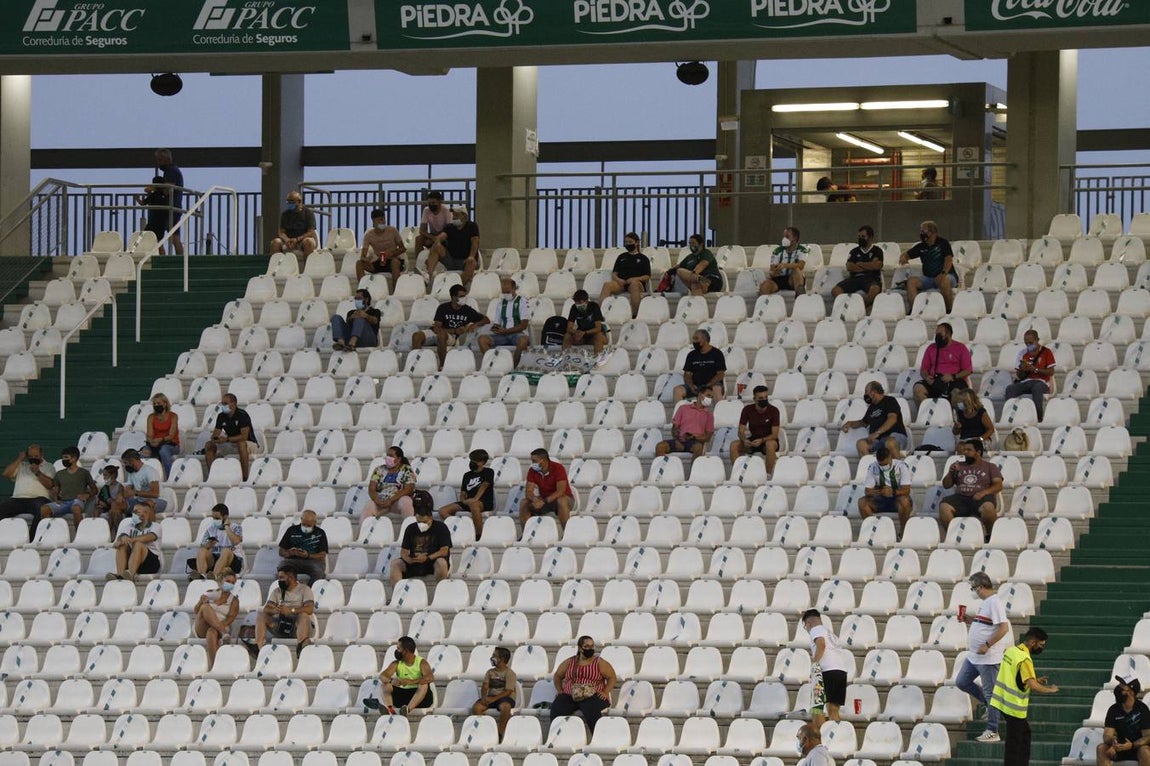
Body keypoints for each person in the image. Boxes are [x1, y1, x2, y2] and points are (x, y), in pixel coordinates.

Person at [990, 627, 1059, 766]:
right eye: (1041, 644)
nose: (1041, 648)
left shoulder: (1011, 651)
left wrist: (1035, 679)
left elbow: (1015, 676)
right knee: (1014, 744)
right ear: (1033, 642)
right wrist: (1049, 690)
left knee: (1024, 735)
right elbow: (1032, 685)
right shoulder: (1025, 659)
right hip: (1014, 707)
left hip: (1001, 701)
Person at [958, 572, 1012, 744]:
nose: (973, 591)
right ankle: (990, 707)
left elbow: (1003, 628)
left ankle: (992, 730)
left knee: (991, 693)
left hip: (988, 658)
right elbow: (986, 623)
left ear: (981, 587)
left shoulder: (994, 602)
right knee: (962, 681)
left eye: (973, 588)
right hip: (974, 657)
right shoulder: (986, 603)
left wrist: (987, 645)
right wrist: (969, 619)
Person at [939, 438, 1004, 539]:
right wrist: (951, 473)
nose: (964, 452)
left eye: (968, 450)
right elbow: (946, 485)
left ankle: (990, 535)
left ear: (978, 452)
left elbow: (998, 485)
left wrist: (983, 493)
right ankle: (952, 536)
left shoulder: (990, 467)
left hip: (982, 499)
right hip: (961, 498)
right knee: (944, 507)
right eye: (964, 450)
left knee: (988, 508)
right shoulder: (959, 466)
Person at [551, 636, 617, 734]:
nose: (590, 649)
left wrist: (605, 692)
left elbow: (612, 677)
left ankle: (598, 735)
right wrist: (560, 690)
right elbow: (557, 676)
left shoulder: (599, 662)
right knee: (557, 705)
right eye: (586, 646)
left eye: (592, 646)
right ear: (580, 648)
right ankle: (555, 734)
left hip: (593, 695)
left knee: (590, 707)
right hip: (571, 695)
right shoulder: (570, 662)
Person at [412, 284, 489, 366]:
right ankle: (416, 364)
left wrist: (475, 324)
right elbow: (437, 328)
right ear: (453, 297)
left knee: (442, 335)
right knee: (416, 335)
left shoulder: (467, 310)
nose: (464, 299)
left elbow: (486, 320)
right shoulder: (443, 308)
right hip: (439, 333)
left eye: (465, 296)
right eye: (461, 296)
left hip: (451, 337)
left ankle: (442, 365)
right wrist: (455, 330)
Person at [249, 564, 315, 656]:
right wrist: (276, 610)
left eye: (281, 578)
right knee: (261, 615)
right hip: (281, 624)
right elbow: (266, 609)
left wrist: (291, 610)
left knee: (303, 615)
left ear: (291, 578)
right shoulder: (277, 591)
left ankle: (302, 647)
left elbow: (309, 609)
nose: (279, 580)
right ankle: (258, 648)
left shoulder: (304, 589)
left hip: (298, 626)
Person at [390, 490, 452, 586]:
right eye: (419, 522)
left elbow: (444, 551)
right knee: (395, 563)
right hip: (415, 563)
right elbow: (404, 552)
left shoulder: (441, 527)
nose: (421, 524)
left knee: (441, 563)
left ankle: (441, 592)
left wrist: (427, 558)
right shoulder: (410, 528)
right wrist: (409, 559)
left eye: (424, 522)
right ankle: (396, 595)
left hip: (431, 562)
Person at [802, 609, 850, 731]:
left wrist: (814, 663)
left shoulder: (815, 630)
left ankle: (821, 738)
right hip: (840, 671)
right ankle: (836, 738)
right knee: (834, 711)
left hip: (825, 671)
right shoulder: (831, 634)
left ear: (808, 623)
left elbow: (821, 645)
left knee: (817, 709)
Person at [899, 220, 956, 312]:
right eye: (921, 231)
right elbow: (906, 254)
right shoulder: (921, 246)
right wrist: (904, 257)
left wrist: (943, 273)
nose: (921, 233)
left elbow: (949, 259)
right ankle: (914, 311)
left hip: (947, 275)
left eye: (923, 231)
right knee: (911, 282)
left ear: (932, 232)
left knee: (944, 280)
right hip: (929, 278)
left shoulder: (943, 243)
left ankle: (948, 310)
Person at [204, 394, 261, 482]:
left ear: (233, 404)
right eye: (222, 404)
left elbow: (244, 437)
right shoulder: (221, 416)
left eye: (225, 403)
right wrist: (215, 439)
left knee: (241, 444)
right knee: (209, 445)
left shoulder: (242, 415)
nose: (223, 406)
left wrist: (226, 439)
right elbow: (215, 433)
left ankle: (244, 478)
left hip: (249, 444)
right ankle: (213, 476)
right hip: (231, 443)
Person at [842, 382, 908, 457]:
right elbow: (864, 422)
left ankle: (897, 467)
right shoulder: (872, 407)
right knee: (861, 444)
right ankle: (870, 467)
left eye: (866, 391)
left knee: (890, 442)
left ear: (873, 392)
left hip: (895, 436)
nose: (865, 394)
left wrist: (877, 433)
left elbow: (892, 419)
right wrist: (850, 423)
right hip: (878, 441)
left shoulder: (890, 401)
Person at [913, 322, 973, 405]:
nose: (937, 336)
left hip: (955, 381)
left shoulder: (961, 348)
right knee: (918, 389)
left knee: (957, 394)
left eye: (939, 334)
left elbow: (968, 370)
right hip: (935, 381)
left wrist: (953, 376)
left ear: (948, 334)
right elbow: (924, 369)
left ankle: (953, 416)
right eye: (936, 334)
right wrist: (926, 377)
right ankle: (928, 414)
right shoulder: (931, 348)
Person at [858, 446, 913, 535]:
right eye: (881, 465)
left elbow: (907, 490)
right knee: (862, 502)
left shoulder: (901, 466)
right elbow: (867, 491)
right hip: (880, 499)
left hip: (897, 499)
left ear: (890, 457)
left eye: (885, 464)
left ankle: (903, 532)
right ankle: (875, 532)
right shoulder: (873, 467)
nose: (883, 467)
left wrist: (893, 492)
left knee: (905, 501)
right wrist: (881, 492)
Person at [439, 449, 495, 536]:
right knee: (443, 511)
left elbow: (484, 486)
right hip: (468, 502)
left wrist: (474, 499)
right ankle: (460, 527)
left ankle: (478, 535)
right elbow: (463, 492)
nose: (471, 462)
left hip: (483, 502)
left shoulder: (489, 472)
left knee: (474, 505)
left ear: (481, 462)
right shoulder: (467, 475)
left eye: (474, 460)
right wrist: (463, 501)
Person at [1004, 330, 1056, 422]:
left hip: (1042, 382)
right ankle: (1008, 416)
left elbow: (1051, 372)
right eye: (1026, 343)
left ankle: (1038, 418)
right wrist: (1023, 369)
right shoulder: (1022, 353)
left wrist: (1035, 369)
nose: (1028, 345)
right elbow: (1020, 376)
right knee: (1010, 389)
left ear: (1037, 340)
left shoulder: (1046, 352)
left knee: (1037, 388)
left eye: (1030, 343)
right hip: (1026, 382)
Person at [478, 278, 532, 366]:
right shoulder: (500, 303)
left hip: (518, 334)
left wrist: (506, 331)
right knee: (482, 339)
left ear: (514, 289)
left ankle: (513, 366)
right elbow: (497, 323)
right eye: (504, 292)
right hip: (502, 335)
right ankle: (496, 364)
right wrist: (496, 329)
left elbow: (523, 325)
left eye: (508, 292)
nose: (506, 294)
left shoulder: (523, 302)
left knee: (523, 340)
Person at [1098, 675, 1150, 766]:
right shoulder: (1113, 709)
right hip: (1118, 748)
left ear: (1131, 692)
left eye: (1122, 686)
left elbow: (1148, 736)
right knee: (1101, 748)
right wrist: (1113, 742)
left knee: (1145, 751)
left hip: (1136, 748)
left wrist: (1132, 745)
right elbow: (1107, 734)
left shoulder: (1143, 709)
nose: (1118, 688)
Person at [40, 446, 97, 528]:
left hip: (77, 501)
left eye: (66, 457)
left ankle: (79, 534)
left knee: (76, 508)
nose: (63, 460)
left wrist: (87, 495)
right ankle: (51, 533)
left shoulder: (84, 473)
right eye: (63, 457)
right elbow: (55, 489)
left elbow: (94, 490)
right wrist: (56, 499)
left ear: (74, 458)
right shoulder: (59, 474)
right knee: (44, 509)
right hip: (63, 502)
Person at [425, 205, 480, 288]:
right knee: (436, 246)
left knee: (471, 263)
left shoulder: (472, 226)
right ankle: (427, 276)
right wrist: (437, 242)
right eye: (453, 215)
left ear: (464, 216)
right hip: (451, 259)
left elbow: (475, 242)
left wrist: (471, 256)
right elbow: (442, 236)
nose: (454, 217)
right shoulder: (449, 227)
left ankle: (457, 288)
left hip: (465, 260)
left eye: (457, 215)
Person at [598, 232, 651, 318]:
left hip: (636, 284)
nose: (628, 244)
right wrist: (618, 280)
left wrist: (635, 279)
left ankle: (634, 314)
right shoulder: (621, 257)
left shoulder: (643, 258)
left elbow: (647, 276)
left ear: (636, 242)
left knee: (634, 285)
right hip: (621, 283)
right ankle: (599, 314)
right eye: (626, 242)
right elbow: (614, 273)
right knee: (607, 285)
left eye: (630, 242)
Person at [107, 499, 162, 582]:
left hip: (150, 563)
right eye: (133, 512)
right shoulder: (129, 526)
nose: (133, 514)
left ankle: (131, 575)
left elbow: (149, 537)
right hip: (132, 560)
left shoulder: (156, 526)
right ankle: (121, 576)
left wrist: (130, 539)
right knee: (122, 545)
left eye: (136, 512)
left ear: (145, 514)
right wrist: (121, 540)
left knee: (138, 544)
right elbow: (122, 536)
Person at [380, 636, 437, 714]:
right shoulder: (396, 663)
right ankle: (390, 710)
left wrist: (411, 682)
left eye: (398, 648)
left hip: (421, 699)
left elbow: (430, 678)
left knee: (424, 685)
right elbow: (382, 676)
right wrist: (392, 680)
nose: (396, 651)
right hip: (403, 696)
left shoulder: (421, 662)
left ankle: (407, 710)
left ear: (406, 651)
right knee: (385, 685)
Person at [730, 385, 781, 472]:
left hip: (768, 439)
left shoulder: (774, 411)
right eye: (761, 398)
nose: (764, 400)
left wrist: (762, 440)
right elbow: (741, 430)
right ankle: (738, 473)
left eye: (766, 397)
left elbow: (775, 434)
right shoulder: (747, 409)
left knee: (770, 444)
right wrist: (744, 440)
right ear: (754, 399)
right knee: (734, 445)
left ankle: (767, 474)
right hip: (753, 440)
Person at [519, 448, 573, 529]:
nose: (532, 463)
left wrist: (543, 501)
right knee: (524, 503)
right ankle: (526, 535)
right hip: (544, 500)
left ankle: (567, 534)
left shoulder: (558, 468)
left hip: (563, 498)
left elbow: (561, 491)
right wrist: (535, 500)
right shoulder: (532, 470)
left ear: (543, 460)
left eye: (534, 461)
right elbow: (529, 491)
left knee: (561, 500)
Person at [195, 571, 240, 666]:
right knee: (205, 607)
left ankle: (215, 665)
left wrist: (217, 626)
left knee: (211, 631)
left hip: (223, 624)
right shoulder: (210, 593)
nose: (230, 584)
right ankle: (223, 632)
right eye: (228, 581)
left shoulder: (234, 601)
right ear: (221, 581)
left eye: (232, 583)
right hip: (203, 624)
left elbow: (230, 619)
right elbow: (196, 611)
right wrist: (200, 601)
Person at [832, 225, 883, 308]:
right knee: (835, 290)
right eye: (859, 236)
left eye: (863, 236)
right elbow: (849, 266)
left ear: (870, 237)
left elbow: (877, 266)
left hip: (871, 278)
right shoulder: (854, 251)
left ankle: (860, 308)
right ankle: (849, 307)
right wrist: (868, 266)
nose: (860, 238)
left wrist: (860, 264)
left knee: (874, 290)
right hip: (855, 279)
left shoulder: (877, 251)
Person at [656, 386, 715, 458]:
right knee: (660, 446)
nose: (710, 399)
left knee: (698, 448)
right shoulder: (683, 408)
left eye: (711, 397)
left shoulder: (709, 415)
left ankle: (693, 469)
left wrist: (693, 437)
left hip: (695, 442)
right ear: (700, 394)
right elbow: (675, 428)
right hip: (680, 440)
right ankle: (662, 468)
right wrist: (677, 440)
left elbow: (707, 438)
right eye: (708, 396)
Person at [0, 445, 55, 521]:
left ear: (42, 455)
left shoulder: (49, 466)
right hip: (18, 499)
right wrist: (19, 459)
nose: (33, 458)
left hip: (39, 499)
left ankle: (34, 533)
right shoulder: (22, 465)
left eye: (36, 456)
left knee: (42, 509)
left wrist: (37, 472)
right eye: (30, 456)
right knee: (3, 508)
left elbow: (50, 485)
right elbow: (6, 474)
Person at [473, 646, 517, 741]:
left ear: (502, 659)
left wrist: (493, 699)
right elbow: (485, 686)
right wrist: (484, 697)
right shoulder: (490, 672)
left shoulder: (510, 673)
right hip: (491, 697)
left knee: (505, 707)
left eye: (494, 656)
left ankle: (500, 732)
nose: (492, 658)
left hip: (505, 698)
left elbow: (508, 691)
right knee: (477, 707)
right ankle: (488, 730)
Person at [191, 503, 244, 581]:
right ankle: (202, 576)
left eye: (217, 518)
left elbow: (236, 541)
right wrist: (209, 545)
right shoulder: (211, 529)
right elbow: (203, 547)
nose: (215, 521)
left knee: (226, 550)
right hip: (216, 560)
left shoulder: (236, 527)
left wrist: (227, 527)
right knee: (202, 550)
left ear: (225, 517)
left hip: (233, 561)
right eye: (213, 518)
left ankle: (215, 576)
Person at [673, 328, 726, 402]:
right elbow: (687, 374)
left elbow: (720, 374)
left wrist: (708, 385)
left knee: (716, 389)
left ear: (704, 339)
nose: (694, 341)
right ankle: (680, 413)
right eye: (693, 339)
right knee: (677, 390)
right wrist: (691, 386)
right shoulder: (691, 355)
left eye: (696, 339)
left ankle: (720, 413)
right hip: (695, 387)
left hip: (712, 386)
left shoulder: (717, 354)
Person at [364, 446, 417, 520]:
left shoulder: (406, 469)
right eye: (387, 455)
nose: (388, 458)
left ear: (398, 459)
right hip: (381, 501)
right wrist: (377, 500)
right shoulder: (379, 469)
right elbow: (371, 488)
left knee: (406, 501)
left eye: (391, 456)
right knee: (369, 505)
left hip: (397, 501)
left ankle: (408, 528)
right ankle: (363, 530)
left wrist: (391, 500)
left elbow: (409, 488)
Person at [277, 509, 328, 583]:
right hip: (293, 561)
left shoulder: (320, 533)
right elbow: (281, 551)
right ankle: (289, 591)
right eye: (304, 524)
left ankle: (309, 591)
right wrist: (289, 553)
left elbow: (322, 555)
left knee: (318, 572)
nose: (306, 527)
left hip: (313, 562)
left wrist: (308, 555)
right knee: (282, 568)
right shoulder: (291, 530)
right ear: (301, 520)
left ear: (315, 522)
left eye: (309, 525)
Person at [357, 208, 407, 283]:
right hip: (379, 261)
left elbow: (403, 248)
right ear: (374, 222)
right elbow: (363, 256)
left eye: (384, 219)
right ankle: (362, 289)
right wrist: (366, 259)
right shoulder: (368, 235)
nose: (383, 222)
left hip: (392, 260)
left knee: (395, 262)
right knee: (359, 263)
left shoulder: (393, 230)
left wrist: (391, 253)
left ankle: (395, 291)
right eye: (380, 220)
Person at [759, 226, 808, 296]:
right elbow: (772, 267)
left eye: (787, 237)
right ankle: (766, 305)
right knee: (765, 286)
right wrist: (774, 271)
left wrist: (785, 265)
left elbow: (801, 266)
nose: (784, 239)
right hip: (779, 279)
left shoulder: (802, 250)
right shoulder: (777, 251)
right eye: (783, 236)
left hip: (792, 280)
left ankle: (800, 299)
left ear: (795, 238)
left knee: (796, 270)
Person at [154, 149, 184, 255]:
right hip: (174, 207)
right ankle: (179, 259)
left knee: (171, 236)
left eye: (160, 160)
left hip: (171, 207)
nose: (158, 163)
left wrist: (156, 189)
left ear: (167, 159)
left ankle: (177, 259)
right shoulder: (174, 170)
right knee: (173, 236)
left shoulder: (170, 171)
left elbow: (167, 189)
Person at [119, 448, 168, 515]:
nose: (124, 465)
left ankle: (148, 525)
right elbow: (128, 490)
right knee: (118, 505)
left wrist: (135, 493)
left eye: (125, 463)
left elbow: (155, 493)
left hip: (158, 500)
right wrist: (121, 496)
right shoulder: (131, 472)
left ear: (132, 461)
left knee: (145, 506)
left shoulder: (150, 471)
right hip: (140, 500)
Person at [142, 392, 180, 477]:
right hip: (155, 443)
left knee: (163, 450)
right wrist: (151, 442)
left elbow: (171, 435)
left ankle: (170, 477)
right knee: (144, 452)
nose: (156, 405)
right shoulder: (151, 417)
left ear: (165, 404)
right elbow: (149, 435)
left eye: (158, 403)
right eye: (154, 404)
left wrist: (160, 440)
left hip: (171, 444)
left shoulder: (173, 416)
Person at [270, 190, 318, 258]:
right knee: (275, 242)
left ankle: (308, 266)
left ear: (299, 201)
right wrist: (287, 240)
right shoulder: (285, 215)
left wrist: (297, 240)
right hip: (288, 241)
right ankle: (276, 266)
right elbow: (281, 232)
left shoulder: (308, 213)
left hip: (302, 240)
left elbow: (311, 232)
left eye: (292, 201)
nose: (289, 203)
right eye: (288, 202)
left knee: (308, 242)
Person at [564, 289, 608, 354]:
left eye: (580, 302)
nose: (578, 305)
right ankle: (565, 359)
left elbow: (598, 328)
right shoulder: (574, 308)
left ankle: (597, 361)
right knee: (567, 336)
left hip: (594, 335)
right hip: (581, 337)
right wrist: (577, 332)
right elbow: (569, 328)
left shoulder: (594, 306)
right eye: (576, 303)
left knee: (598, 336)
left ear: (586, 301)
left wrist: (584, 332)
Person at [137, 175, 173, 253]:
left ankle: (133, 250)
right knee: (159, 242)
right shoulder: (166, 196)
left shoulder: (154, 195)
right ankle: (162, 257)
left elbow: (142, 203)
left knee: (142, 236)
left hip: (153, 221)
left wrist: (137, 198)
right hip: (162, 222)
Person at [415, 191, 452, 257]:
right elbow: (422, 230)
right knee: (418, 239)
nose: (431, 205)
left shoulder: (446, 210)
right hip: (432, 235)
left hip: (445, 236)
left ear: (440, 202)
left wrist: (438, 238)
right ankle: (418, 262)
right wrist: (433, 238)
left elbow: (449, 229)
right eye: (429, 203)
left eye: (433, 203)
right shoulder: (426, 210)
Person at [92, 464, 124, 529]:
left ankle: (110, 531)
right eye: (103, 475)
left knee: (112, 510)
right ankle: (95, 529)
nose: (104, 477)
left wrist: (110, 502)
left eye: (106, 475)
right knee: (96, 510)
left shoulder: (119, 486)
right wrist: (100, 502)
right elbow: (99, 498)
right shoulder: (105, 487)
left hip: (115, 507)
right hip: (105, 507)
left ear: (113, 475)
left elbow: (120, 498)